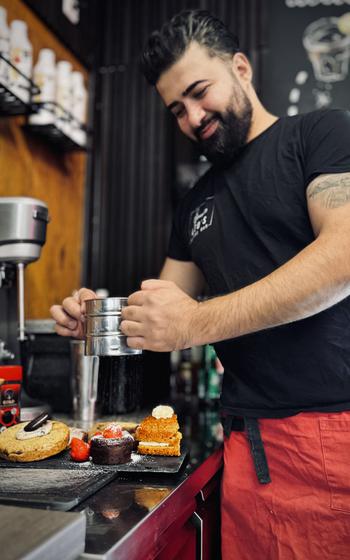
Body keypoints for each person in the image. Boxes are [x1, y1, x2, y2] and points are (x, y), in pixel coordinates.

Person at [50, 9, 350, 560]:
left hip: (332, 438)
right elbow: (158, 314)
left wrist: (196, 322)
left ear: (240, 68)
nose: (191, 117)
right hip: (243, 449)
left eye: (198, 91)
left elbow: (343, 256)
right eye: (176, 109)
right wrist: (96, 320)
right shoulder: (195, 203)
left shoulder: (319, 134)